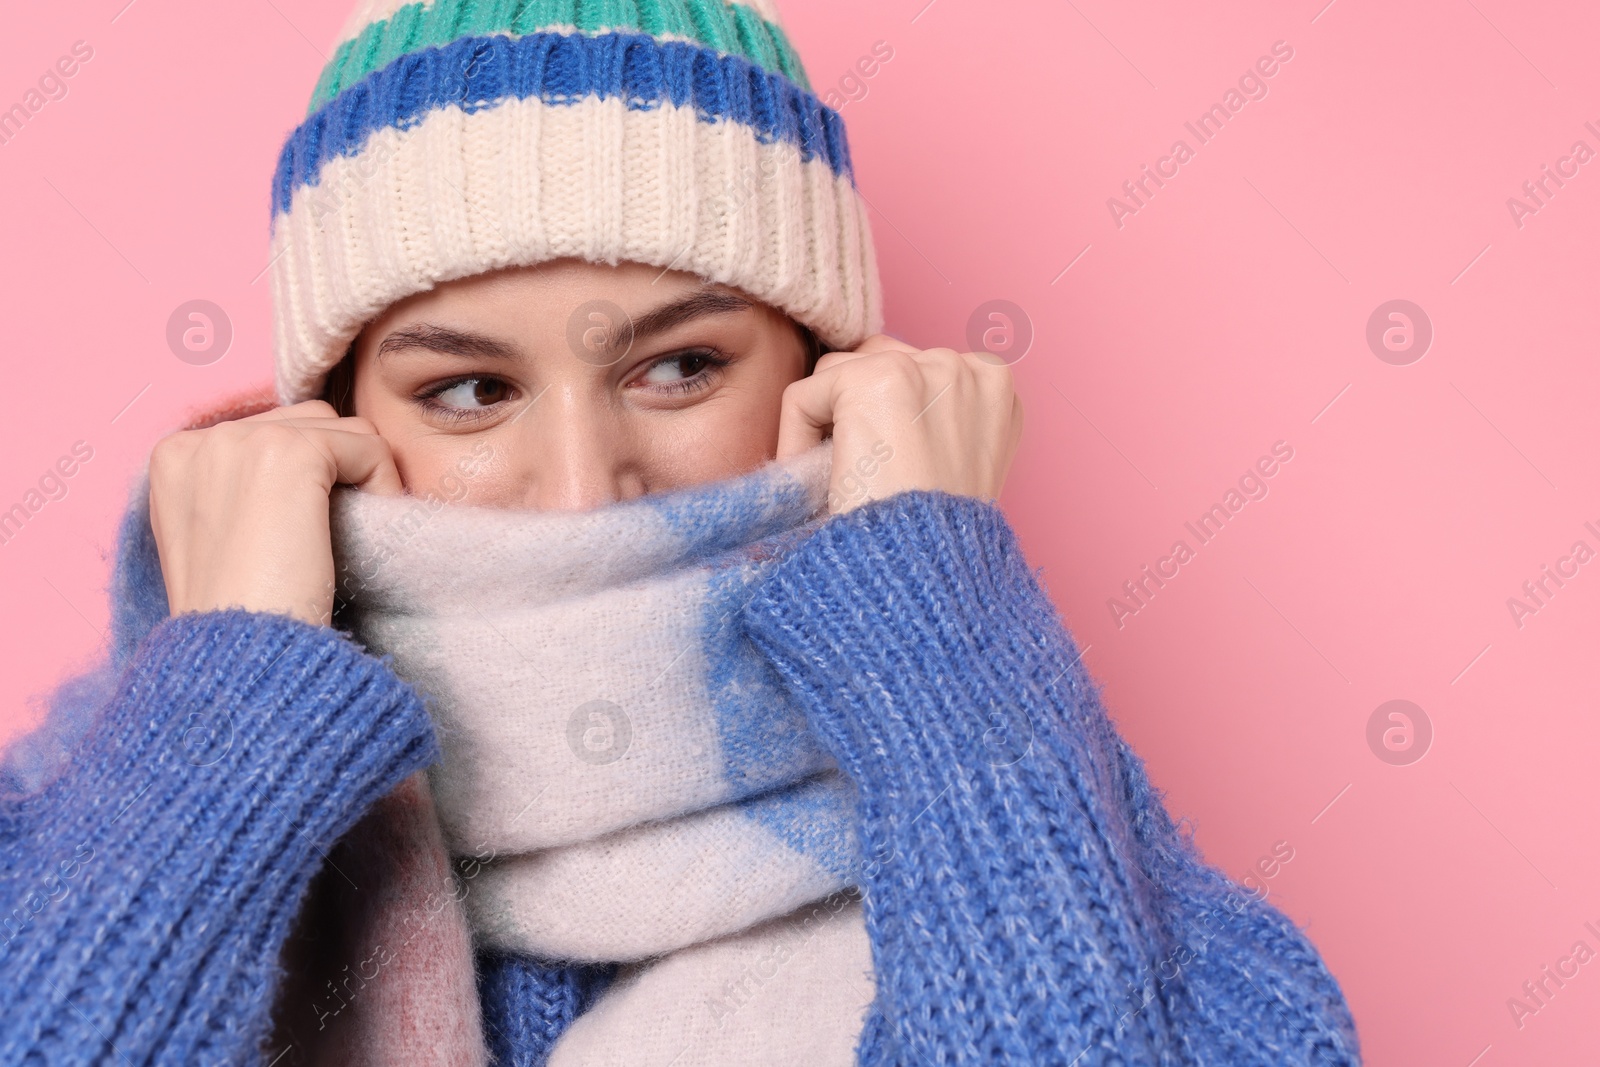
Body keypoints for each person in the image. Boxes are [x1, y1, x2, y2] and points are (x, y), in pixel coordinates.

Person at [0, 2, 1363, 1064]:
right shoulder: (74, 829)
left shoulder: (1041, 802)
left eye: (682, 369)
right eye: (470, 392)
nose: (589, 489)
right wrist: (230, 684)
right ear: (333, 425)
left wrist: (934, 610)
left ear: (828, 377)